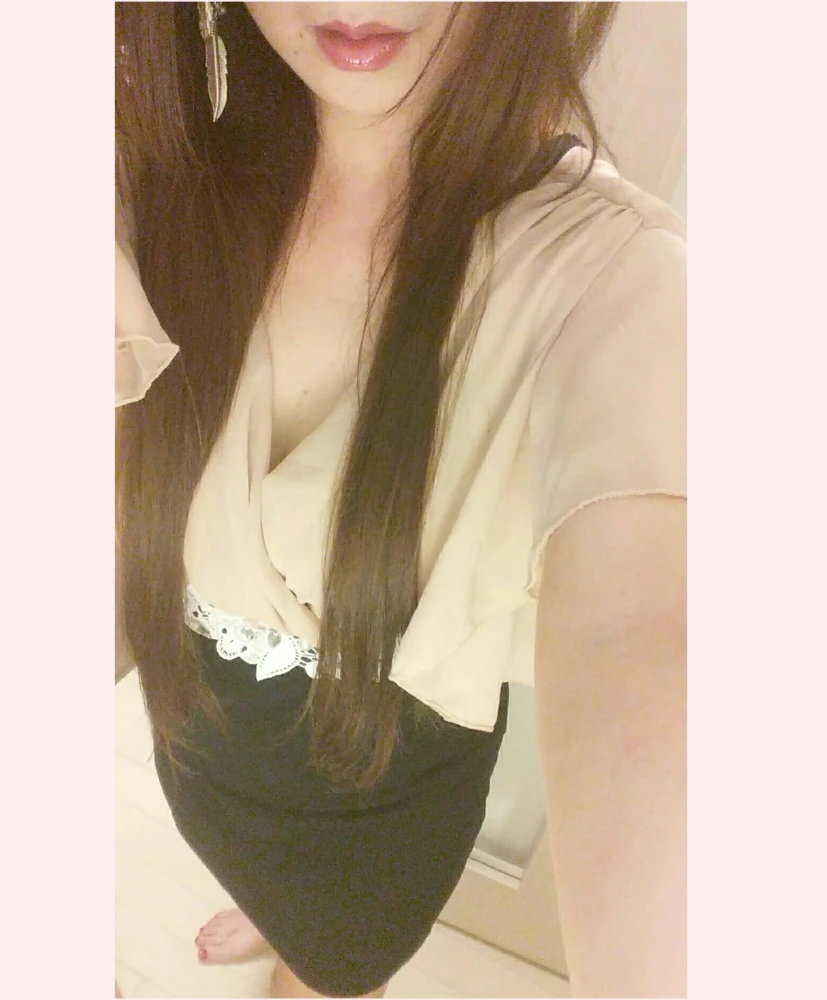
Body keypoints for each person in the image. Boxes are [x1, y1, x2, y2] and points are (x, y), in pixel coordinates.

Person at [115, 3, 686, 997]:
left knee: (331, 971)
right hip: (196, 758)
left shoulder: (616, 282)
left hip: (368, 840)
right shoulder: (159, 193)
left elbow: (647, 631)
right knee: (262, 891)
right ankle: (267, 910)